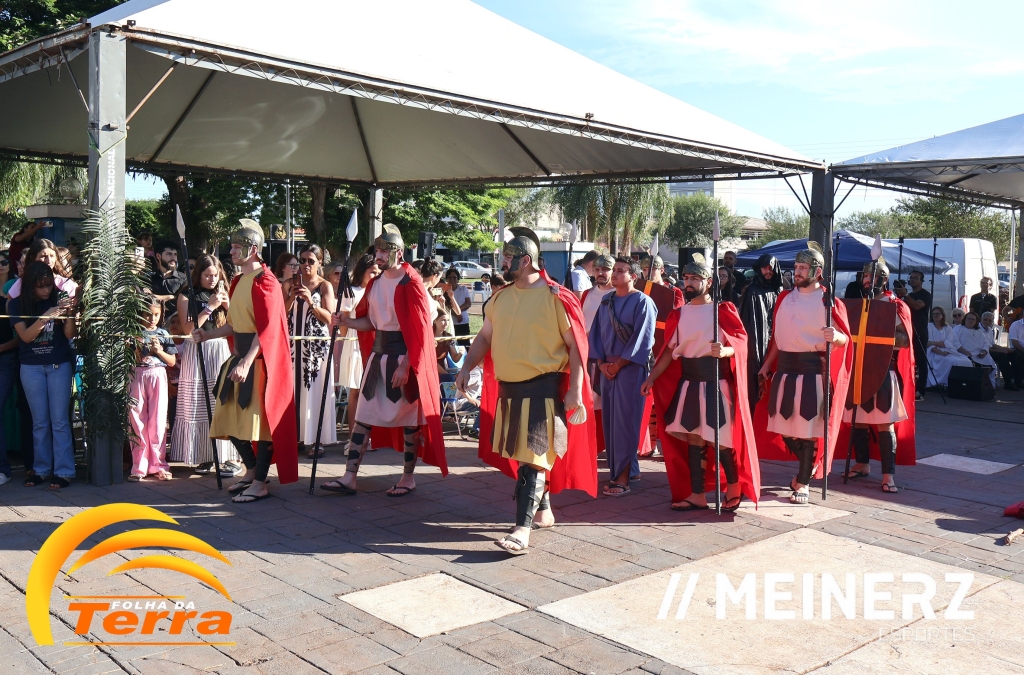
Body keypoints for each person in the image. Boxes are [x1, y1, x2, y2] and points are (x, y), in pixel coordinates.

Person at [458, 226, 596, 554]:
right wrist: (465, 367)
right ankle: (544, 512)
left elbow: (577, 347)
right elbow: (485, 337)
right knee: (526, 457)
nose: (503, 262)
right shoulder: (501, 298)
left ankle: (522, 530)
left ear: (526, 260)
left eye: (508, 257)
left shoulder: (556, 297)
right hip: (510, 392)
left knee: (534, 456)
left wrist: (576, 390)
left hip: (544, 390)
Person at [320, 225, 446, 497]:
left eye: (384, 251)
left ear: (398, 253)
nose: (378, 255)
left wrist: (406, 366)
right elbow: (371, 322)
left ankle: (408, 478)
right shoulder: (375, 284)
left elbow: (421, 331)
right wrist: (346, 321)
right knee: (363, 418)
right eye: (377, 250)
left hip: (403, 359)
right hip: (378, 360)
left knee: (410, 422)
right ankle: (349, 477)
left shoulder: (411, 283)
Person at [645, 253, 760, 511]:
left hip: (715, 382)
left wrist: (725, 351)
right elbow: (668, 352)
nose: (688, 282)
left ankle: (734, 487)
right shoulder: (679, 314)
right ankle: (697, 494)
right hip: (689, 383)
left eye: (695, 278)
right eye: (686, 277)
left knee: (718, 438)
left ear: (708, 282)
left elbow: (741, 344)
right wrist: (651, 378)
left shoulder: (723, 310)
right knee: (694, 439)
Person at [194, 220, 298, 504]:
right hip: (239, 358)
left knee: (258, 427)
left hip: (258, 363)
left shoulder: (266, 281)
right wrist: (207, 334)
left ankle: (261, 482)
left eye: (236, 247)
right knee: (227, 418)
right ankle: (251, 471)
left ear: (252, 249)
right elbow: (234, 325)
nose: (231, 251)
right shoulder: (239, 281)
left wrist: (247, 362)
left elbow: (267, 330)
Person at [754, 243, 852, 505]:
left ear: (817, 272)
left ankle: (803, 482)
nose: (797, 272)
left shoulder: (829, 301)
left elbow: (846, 340)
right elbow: (777, 338)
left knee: (807, 430)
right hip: (785, 371)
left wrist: (837, 336)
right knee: (784, 428)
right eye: (796, 267)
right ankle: (807, 469)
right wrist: (767, 364)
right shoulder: (785, 298)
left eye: (803, 268)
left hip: (812, 371)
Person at [840, 258, 916, 494]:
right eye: (865, 276)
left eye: (872, 276)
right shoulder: (859, 305)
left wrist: (880, 338)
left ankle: (888, 475)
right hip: (859, 370)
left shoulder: (895, 305)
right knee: (858, 420)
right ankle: (862, 464)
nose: (867, 280)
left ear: (883, 280)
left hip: (883, 370)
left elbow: (904, 340)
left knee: (885, 422)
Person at [589, 257, 656, 496]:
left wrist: (617, 365)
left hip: (630, 369)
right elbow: (596, 335)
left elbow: (643, 340)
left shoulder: (643, 302)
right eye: (614, 270)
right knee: (610, 422)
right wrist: (601, 364)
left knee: (626, 423)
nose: (614, 274)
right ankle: (629, 470)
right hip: (607, 369)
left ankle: (622, 479)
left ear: (633, 276)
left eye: (621, 271)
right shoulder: (606, 301)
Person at [170, 255, 242, 475]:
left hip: (220, 348)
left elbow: (239, 323)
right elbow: (188, 329)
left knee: (221, 400)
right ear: (198, 275)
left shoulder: (225, 292)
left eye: (215, 275)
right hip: (197, 349)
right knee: (199, 403)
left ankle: (230, 456)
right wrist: (209, 307)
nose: (212, 279)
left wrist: (228, 305)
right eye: (207, 275)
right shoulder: (186, 295)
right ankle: (205, 454)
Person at [10, 262, 77, 489]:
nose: (46, 290)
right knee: (39, 422)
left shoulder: (58, 298)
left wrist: (70, 314)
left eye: (49, 285)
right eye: (41, 286)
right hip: (31, 366)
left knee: (59, 421)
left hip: (59, 364)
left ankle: (64, 472)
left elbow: (69, 334)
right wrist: (46, 316)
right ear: (30, 285)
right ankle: (41, 469)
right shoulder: (16, 303)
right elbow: (26, 337)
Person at [282, 244, 337, 456]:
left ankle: (316, 440)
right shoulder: (289, 284)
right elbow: (280, 313)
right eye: (302, 260)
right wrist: (292, 297)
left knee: (314, 390)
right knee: (293, 390)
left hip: (316, 347)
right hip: (292, 346)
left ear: (319, 263)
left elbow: (329, 318)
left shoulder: (324, 286)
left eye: (311, 261)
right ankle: (295, 437)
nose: (305, 264)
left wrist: (310, 302)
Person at [128, 295, 177, 481]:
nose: (152, 319)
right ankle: (139, 466)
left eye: (156, 315)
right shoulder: (133, 332)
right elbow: (128, 358)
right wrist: (135, 347)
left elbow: (172, 361)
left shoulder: (164, 334)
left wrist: (159, 350)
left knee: (157, 420)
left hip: (158, 375)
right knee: (136, 419)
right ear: (140, 314)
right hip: (137, 374)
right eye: (148, 314)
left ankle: (159, 464)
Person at [335, 253, 380, 440]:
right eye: (372, 272)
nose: (376, 275)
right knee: (355, 391)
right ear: (363, 271)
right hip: (355, 344)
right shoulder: (351, 292)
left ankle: (372, 436)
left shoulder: (378, 291)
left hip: (376, 344)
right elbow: (343, 323)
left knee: (373, 392)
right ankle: (354, 437)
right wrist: (345, 344)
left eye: (378, 272)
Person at [738, 253, 782, 409]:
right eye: (764, 268)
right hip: (757, 346)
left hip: (777, 343)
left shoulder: (780, 291)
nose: (768, 271)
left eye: (771, 268)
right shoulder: (752, 291)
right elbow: (747, 324)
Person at [580, 255, 615, 452]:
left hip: (609, 356)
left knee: (608, 402)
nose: (601, 273)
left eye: (605, 269)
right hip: (587, 355)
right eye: (597, 269)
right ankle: (592, 444)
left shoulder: (618, 294)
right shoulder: (587, 294)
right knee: (590, 400)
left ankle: (607, 445)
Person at [7, 238, 77, 300]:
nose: (49, 261)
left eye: (52, 256)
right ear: (33, 258)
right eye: (44, 256)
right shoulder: (22, 283)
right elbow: (9, 303)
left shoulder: (65, 283)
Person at [897, 271, 931, 396]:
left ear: (922, 280)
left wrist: (905, 295)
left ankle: (920, 390)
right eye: (911, 278)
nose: (912, 280)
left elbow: (917, 306)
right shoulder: (908, 295)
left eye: (916, 278)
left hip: (920, 331)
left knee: (921, 360)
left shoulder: (925, 294)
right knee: (906, 358)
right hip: (907, 330)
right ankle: (906, 386)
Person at [925, 307, 971, 388]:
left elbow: (948, 343)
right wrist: (940, 352)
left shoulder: (948, 328)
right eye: (934, 314)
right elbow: (928, 344)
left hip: (948, 351)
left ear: (942, 315)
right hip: (934, 353)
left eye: (938, 314)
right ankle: (947, 383)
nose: (935, 315)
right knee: (953, 362)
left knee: (966, 361)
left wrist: (934, 342)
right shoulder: (929, 326)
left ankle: (963, 384)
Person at [954, 312, 997, 388]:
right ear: (965, 319)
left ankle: (987, 387)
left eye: (973, 319)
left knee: (990, 362)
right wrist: (965, 352)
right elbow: (955, 343)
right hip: (964, 353)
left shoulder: (978, 330)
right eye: (969, 319)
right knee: (968, 363)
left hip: (979, 354)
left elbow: (986, 343)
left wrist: (984, 351)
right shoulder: (958, 328)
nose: (970, 320)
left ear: (976, 321)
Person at [983, 311, 1023, 390]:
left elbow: (993, 344)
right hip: (983, 352)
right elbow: (985, 348)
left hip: (991, 349)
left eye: (990, 320)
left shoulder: (989, 330)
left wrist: (1004, 348)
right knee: (1002, 356)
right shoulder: (978, 330)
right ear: (981, 319)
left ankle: (1017, 380)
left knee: (1016, 354)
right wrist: (1002, 351)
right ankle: (1008, 382)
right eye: (985, 320)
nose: (987, 322)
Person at [149, 241, 187, 313]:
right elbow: (145, 300)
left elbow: (177, 304)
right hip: (153, 319)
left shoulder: (183, 279)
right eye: (169, 254)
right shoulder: (150, 278)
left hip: (175, 319)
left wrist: (153, 297)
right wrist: (170, 297)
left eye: (175, 254)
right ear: (158, 256)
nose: (173, 258)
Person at [445, 266, 473, 342]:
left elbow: (468, 303)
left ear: (458, 279)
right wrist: (456, 314)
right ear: (446, 279)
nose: (452, 280)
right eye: (450, 277)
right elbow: (445, 306)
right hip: (449, 323)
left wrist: (458, 313)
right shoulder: (444, 291)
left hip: (463, 322)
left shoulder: (464, 289)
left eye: (454, 277)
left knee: (464, 345)